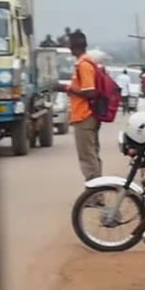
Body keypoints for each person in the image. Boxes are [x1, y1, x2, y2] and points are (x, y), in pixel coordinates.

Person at [64, 31, 102, 181]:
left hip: (84, 116)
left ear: (73, 46)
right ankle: (97, 190)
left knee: (87, 158)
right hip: (86, 116)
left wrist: (67, 88)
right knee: (92, 155)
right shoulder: (85, 62)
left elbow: (90, 92)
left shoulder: (84, 65)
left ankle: (95, 193)